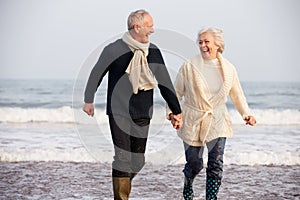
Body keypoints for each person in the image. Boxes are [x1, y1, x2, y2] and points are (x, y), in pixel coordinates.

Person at [83, 9, 182, 200]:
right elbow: (96, 73)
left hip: (143, 111)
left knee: (137, 161)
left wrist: (177, 111)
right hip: (118, 110)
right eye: (149, 26)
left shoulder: (152, 51)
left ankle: (122, 186)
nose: (152, 30)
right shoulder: (113, 49)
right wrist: (89, 100)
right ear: (137, 27)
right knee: (122, 158)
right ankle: (121, 198)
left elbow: (164, 82)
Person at [168, 27, 256, 200]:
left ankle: (211, 198)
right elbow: (176, 92)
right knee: (195, 163)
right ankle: (188, 183)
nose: (202, 46)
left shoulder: (229, 69)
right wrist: (173, 114)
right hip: (193, 118)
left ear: (217, 44)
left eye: (206, 42)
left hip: (217, 119)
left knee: (216, 163)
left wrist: (246, 114)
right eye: (200, 42)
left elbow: (237, 94)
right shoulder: (189, 66)